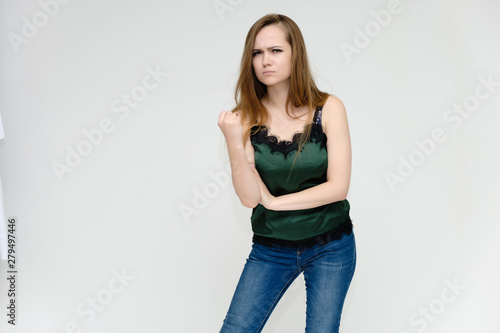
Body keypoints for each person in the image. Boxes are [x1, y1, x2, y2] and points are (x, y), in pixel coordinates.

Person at [217, 13, 356, 333]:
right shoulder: (243, 119)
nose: (265, 60)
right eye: (257, 52)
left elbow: (338, 187)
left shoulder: (329, 108)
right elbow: (250, 198)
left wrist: (277, 203)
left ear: (296, 54)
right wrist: (232, 142)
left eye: (275, 50)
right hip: (271, 248)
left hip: (330, 245)